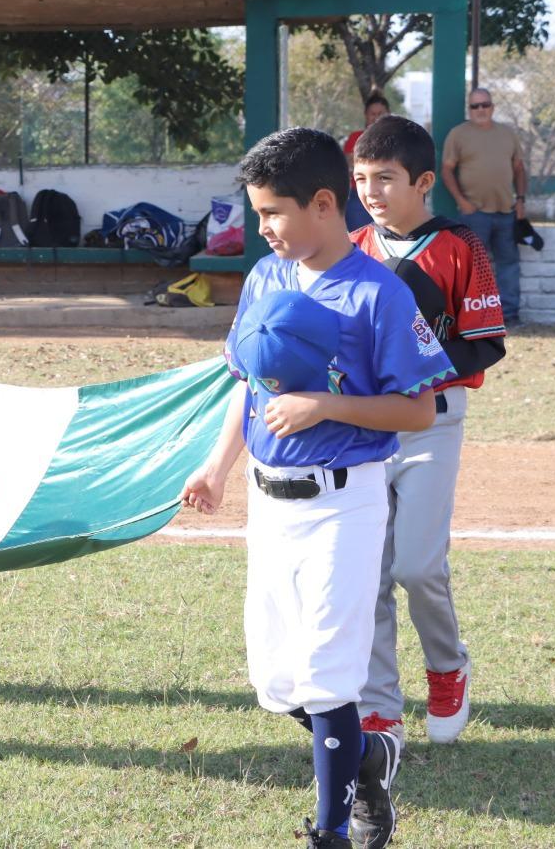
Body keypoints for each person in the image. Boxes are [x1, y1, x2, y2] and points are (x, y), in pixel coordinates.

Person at [181, 126, 453, 848]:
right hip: (270, 503)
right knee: (278, 683)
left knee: (330, 678)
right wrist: (217, 467)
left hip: (345, 502)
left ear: (325, 203)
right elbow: (251, 384)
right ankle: (368, 754)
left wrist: (327, 404)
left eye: (272, 212)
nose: (260, 227)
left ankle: (334, 829)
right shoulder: (268, 276)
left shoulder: (379, 295)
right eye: (258, 212)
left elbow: (420, 410)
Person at [350, 116, 507, 760]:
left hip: (434, 422)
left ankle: (448, 668)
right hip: (364, 427)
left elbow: (484, 342)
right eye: (360, 179)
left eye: (385, 179)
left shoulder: (460, 244)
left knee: (417, 566)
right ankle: (379, 707)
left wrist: (413, 359)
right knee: (370, 572)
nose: (371, 191)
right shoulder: (353, 244)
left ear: (422, 182)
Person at [442, 88, 528, 324]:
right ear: (469, 109)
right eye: (475, 106)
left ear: (492, 106)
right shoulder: (458, 135)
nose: (480, 110)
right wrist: (462, 202)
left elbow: (519, 169)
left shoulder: (508, 134)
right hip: (474, 213)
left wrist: (520, 200)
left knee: (509, 265)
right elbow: (447, 169)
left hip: (505, 212)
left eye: (485, 105)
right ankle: (476, 318)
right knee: (474, 269)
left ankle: (510, 315)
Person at [342, 94, 391, 232]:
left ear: (388, 114)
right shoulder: (355, 138)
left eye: (380, 114)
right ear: (366, 115)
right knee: (361, 238)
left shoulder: (397, 140)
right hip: (359, 196)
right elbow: (352, 164)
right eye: (372, 114)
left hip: (390, 195)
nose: (376, 117)